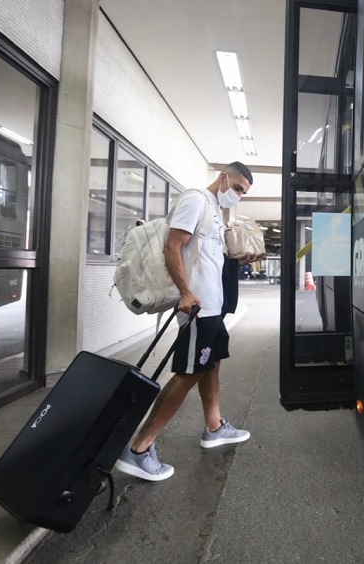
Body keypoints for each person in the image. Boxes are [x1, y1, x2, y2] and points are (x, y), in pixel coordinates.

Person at [115, 162, 266, 481]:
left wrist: (239, 258)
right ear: (223, 176)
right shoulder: (196, 199)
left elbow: (204, 256)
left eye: (243, 193)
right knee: (188, 373)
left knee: (211, 363)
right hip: (197, 305)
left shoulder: (214, 208)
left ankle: (214, 426)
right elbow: (173, 246)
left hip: (212, 306)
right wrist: (185, 293)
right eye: (237, 188)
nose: (237, 196)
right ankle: (140, 449)